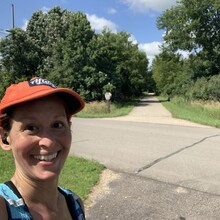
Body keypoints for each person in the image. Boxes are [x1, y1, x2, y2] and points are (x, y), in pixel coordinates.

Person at [0, 77, 86, 219]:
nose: (48, 142)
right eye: (31, 127)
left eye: (57, 125)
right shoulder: (3, 208)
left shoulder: (75, 204)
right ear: (4, 138)